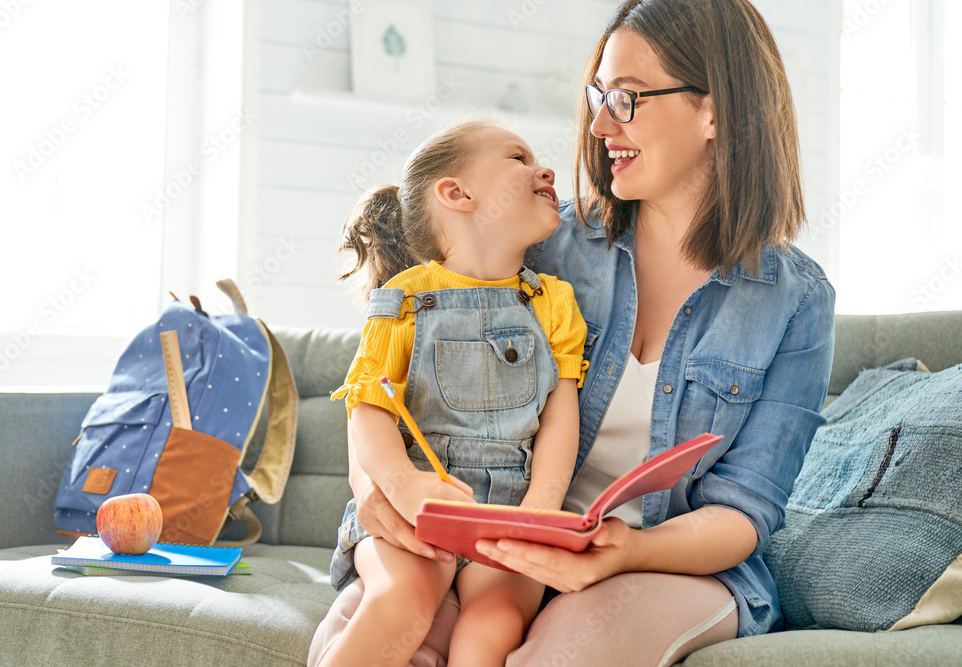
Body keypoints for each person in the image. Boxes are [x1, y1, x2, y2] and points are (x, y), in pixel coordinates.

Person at [309, 0, 836, 665]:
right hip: (506, 549)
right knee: (374, 634)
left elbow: (746, 512)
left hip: (670, 563)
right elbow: (386, 380)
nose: (597, 123)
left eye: (625, 98)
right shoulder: (545, 240)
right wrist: (374, 488)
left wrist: (625, 549)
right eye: (598, 97)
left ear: (715, 110)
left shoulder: (796, 301)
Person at [309, 119, 588, 667]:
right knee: (402, 603)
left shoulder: (554, 302)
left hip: (510, 516)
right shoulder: (403, 299)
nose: (544, 169)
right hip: (414, 511)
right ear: (457, 194)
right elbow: (368, 408)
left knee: (492, 629)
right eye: (519, 158)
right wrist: (402, 484)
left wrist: (540, 510)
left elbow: (561, 418)